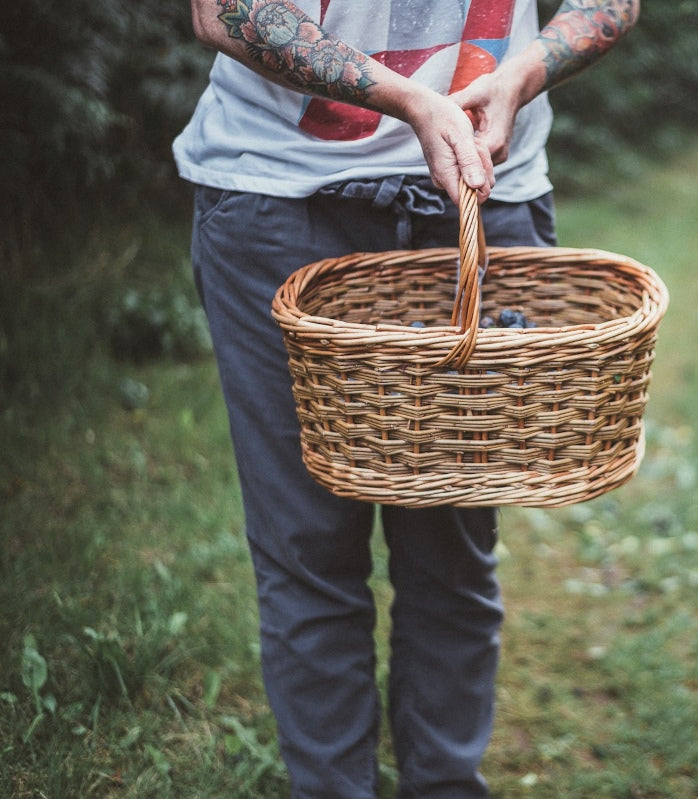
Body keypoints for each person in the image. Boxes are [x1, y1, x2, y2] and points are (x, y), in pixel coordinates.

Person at [172, 2, 639, 797]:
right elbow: (224, 12)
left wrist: (521, 73)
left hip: (482, 195)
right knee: (307, 548)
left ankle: (446, 784)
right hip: (283, 199)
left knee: (452, 547)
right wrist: (411, 100)